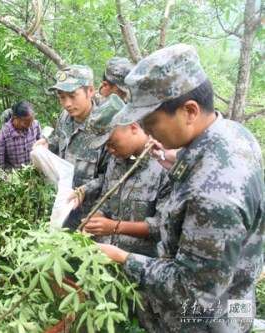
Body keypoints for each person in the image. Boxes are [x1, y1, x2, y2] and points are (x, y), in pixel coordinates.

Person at [97, 44, 264, 332]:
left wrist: (122, 258)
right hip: (235, 302)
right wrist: (177, 158)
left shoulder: (213, 196)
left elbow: (191, 292)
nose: (147, 133)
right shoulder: (233, 134)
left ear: (189, 110)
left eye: (151, 123)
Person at [34, 65, 123, 230]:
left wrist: (84, 190)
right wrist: (47, 144)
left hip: (90, 216)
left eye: (72, 96)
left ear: (90, 91)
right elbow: (59, 140)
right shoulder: (65, 117)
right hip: (61, 207)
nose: (67, 104)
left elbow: (113, 175)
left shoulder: (107, 122)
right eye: (61, 97)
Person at [84, 120, 168, 258]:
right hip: (105, 257)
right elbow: (106, 198)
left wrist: (115, 227)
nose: (110, 150)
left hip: (142, 263)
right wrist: (96, 218)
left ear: (133, 127)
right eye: (106, 146)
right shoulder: (116, 160)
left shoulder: (164, 164)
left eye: (112, 143)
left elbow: (163, 225)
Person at [0, 101, 41, 170]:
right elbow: (0, 164)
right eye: (25, 123)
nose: (29, 126)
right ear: (15, 118)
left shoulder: (35, 125)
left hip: (34, 171)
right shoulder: (3, 135)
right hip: (15, 176)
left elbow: (40, 146)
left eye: (31, 122)